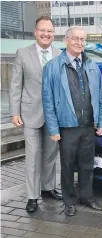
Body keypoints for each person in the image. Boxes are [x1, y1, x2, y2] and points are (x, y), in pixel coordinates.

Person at [42, 26, 102, 216]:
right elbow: (48, 101)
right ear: (66, 40)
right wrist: (53, 128)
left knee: (87, 165)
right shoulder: (53, 67)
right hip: (67, 127)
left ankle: (87, 197)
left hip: (88, 125)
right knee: (68, 166)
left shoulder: (92, 66)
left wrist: (101, 121)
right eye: (75, 39)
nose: (79, 43)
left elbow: (99, 97)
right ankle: (69, 201)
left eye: (82, 40)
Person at [9, 16, 62, 213]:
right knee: (32, 156)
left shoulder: (59, 54)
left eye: (49, 31)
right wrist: (14, 111)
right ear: (35, 31)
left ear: (53, 34)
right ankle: (32, 196)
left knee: (50, 154)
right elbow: (15, 84)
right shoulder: (23, 53)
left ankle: (48, 188)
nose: (46, 34)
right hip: (30, 113)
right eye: (42, 30)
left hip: (53, 115)